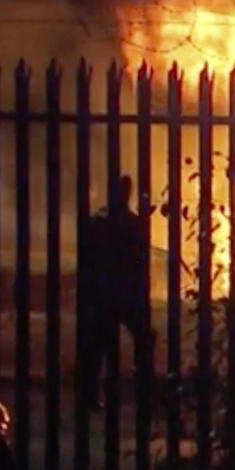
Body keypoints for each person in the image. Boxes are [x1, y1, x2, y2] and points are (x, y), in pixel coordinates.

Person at [78, 174, 154, 411]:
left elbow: (88, 258)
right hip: (123, 291)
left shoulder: (99, 221)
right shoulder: (131, 222)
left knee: (100, 344)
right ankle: (142, 389)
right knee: (131, 339)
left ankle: (94, 394)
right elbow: (140, 259)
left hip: (107, 291)